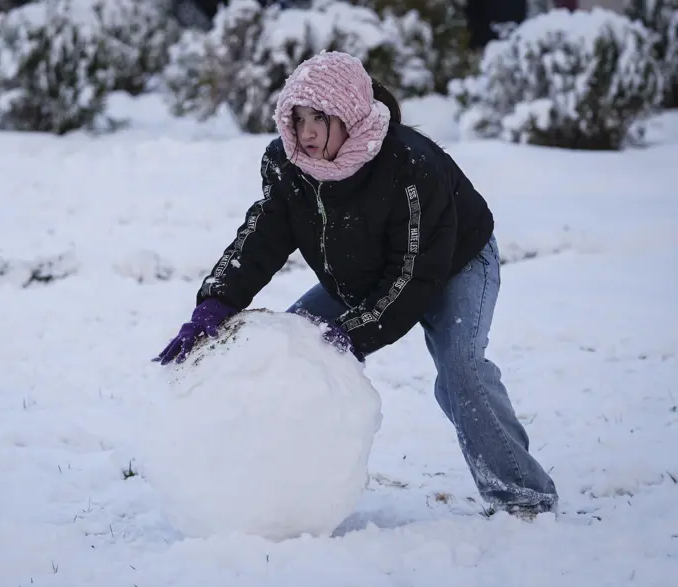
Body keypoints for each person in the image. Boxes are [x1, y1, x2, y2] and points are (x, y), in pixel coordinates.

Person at [153, 50, 559, 519]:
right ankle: (281, 494)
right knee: (289, 359)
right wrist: (216, 303)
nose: (305, 132)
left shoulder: (408, 165)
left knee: (461, 373)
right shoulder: (289, 166)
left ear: (348, 115)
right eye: (297, 118)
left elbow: (412, 274)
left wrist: (350, 333)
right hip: (364, 273)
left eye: (319, 118)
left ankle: (523, 496)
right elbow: (262, 234)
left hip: (454, 265)